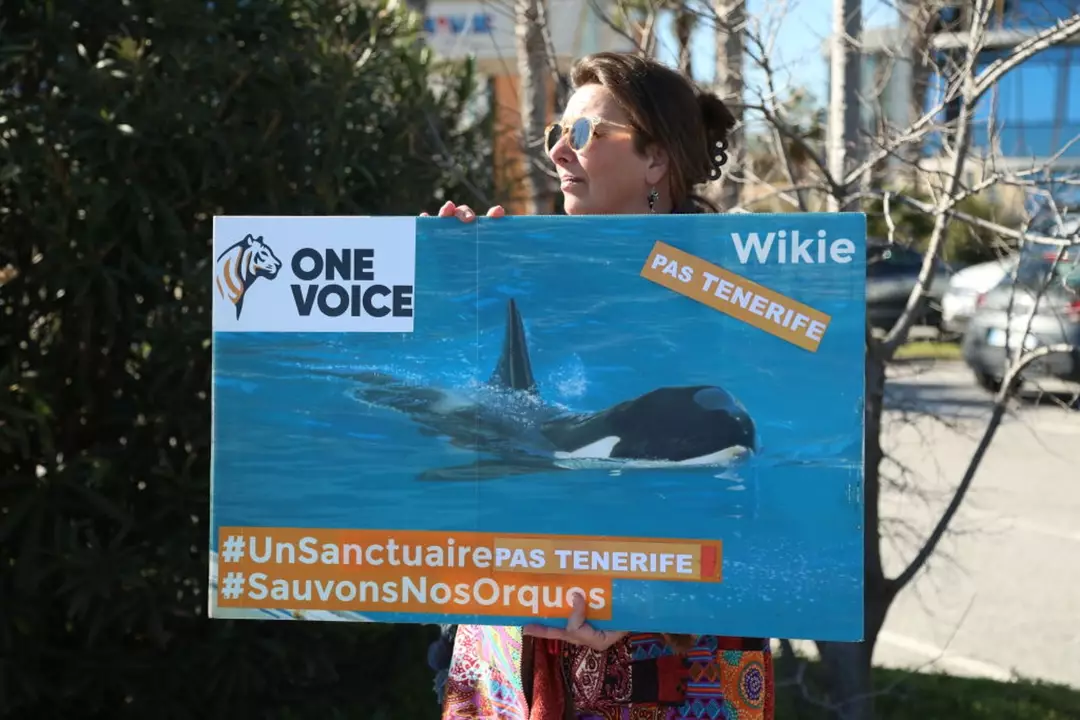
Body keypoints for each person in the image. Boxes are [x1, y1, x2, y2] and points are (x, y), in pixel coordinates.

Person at [422, 51, 774, 720]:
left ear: (656, 162)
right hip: (524, 633)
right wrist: (452, 277)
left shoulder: (734, 293)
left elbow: (756, 527)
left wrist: (649, 602)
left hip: (673, 657)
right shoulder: (522, 267)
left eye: (584, 134)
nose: (560, 151)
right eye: (556, 132)